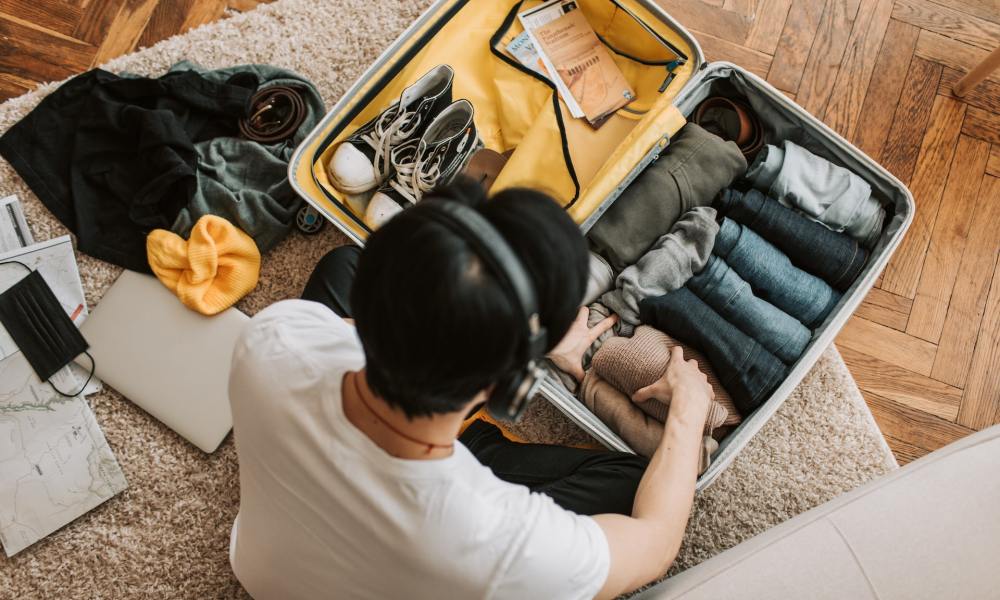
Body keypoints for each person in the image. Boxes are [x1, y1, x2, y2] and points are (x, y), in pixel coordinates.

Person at [227, 178, 715, 599]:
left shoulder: (274, 335)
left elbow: (355, 330)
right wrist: (688, 411)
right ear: (511, 388)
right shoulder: (504, 543)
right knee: (641, 487)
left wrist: (502, 334)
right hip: (437, 530)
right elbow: (655, 544)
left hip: (264, 574)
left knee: (341, 266)